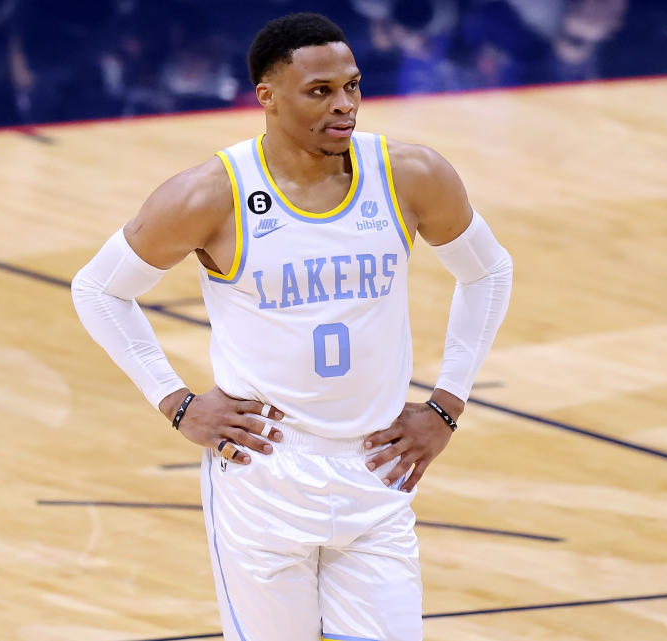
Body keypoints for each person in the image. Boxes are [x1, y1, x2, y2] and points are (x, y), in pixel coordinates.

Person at [71, 12, 512, 641]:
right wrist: (175, 402)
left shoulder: (410, 174)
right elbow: (97, 288)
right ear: (267, 97)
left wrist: (446, 406)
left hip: (378, 467)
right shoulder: (210, 195)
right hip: (266, 471)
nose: (345, 106)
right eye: (320, 91)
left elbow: (489, 273)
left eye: (352, 86)